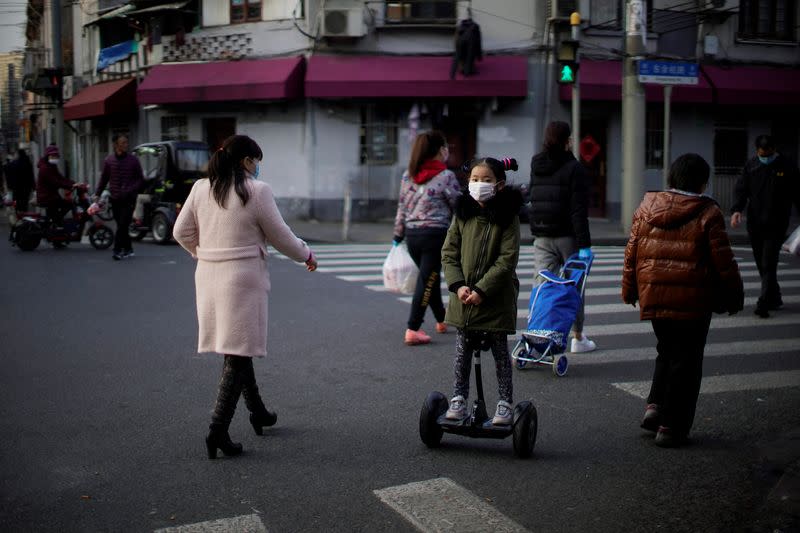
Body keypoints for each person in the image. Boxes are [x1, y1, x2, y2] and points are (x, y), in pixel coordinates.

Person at [173, 135, 318, 460]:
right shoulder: (257, 191)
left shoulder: (200, 188)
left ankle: (259, 413)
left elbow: (180, 232)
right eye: (255, 160)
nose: (257, 166)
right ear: (245, 161)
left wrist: (204, 253)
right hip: (242, 280)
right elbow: (280, 236)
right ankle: (217, 430)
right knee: (238, 353)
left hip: (209, 277)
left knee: (238, 346)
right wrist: (306, 253)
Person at [622, 153, 744, 448]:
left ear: (671, 179)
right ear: (703, 183)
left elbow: (631, 253)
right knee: (686, 363)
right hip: (693, 302)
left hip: (654, 297)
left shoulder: (647, 206)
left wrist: (630, 290)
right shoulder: (708, 212)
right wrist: (734, 295)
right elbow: (723, 262)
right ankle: (671, 427)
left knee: (666, 351)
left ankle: (655, 406)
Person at [441, 157, 523, 426]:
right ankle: (458, 399)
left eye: (486, 180)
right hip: (464, 298)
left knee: (500, 353)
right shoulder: (462, 214)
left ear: (499, 185)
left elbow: (506, 260)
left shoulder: (508, 217)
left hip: (495, 299)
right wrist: (459, 286)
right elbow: (449, 253)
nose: (479, 185)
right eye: (474, 180)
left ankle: (504, 403)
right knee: (462, 351)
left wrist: (482, 290)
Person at [528, 121, 596, 353]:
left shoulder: (536, 163)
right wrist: (585, 245)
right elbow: (578, 210)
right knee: (574, 286)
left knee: (542, 287)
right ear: (567, 140)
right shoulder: (574, 168)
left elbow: (532, 195)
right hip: (568, 236)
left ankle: (537, 335)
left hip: (542, 236)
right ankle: (578, 337)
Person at [393, 131, 462, 346]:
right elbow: (459, 206)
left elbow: (402, 207)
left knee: (428, 277)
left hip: (412, 237)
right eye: (445, 147)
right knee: (427, 279)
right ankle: (413, 328)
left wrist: (398, 235)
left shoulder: (408, 175)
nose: (447, 151)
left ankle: (441, 319)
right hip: (435, 236)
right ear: (440, 151)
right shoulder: (446, 176)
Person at [730, 134, 800, 318]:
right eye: (762, 154)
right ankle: (774, 297)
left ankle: (763, 302)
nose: (765, 157)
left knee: (768, 262)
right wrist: (737, 210)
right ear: (757, 151)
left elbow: (798, 192)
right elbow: (741, 189)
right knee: (762, 262)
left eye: (768, 154)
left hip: (777, 223)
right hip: (755, 223)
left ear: (774, 149)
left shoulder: (787, 166)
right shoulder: (751, 166)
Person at [95, 134, 144, 261]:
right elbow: (104, 178)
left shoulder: (133, 160)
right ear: (115, 145)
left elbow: (140, 179)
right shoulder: (109, 161)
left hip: (129, 199)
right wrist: (97, 194)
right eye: (122, 143)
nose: (125, 145)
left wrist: (130, 190)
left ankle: (117, 250)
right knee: (122, 225)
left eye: (126, 142)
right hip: (115, 198)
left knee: (122, 225)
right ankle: (128, 248)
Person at [35, 144, 75, 226]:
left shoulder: (52, 166)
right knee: (69, 205)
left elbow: (60, 178)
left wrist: (73, 183)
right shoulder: (45, 168)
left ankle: (55, 223)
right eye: (53, 155)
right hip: (47, 197)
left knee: (57, 211)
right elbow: (55, 182)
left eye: (56, 155)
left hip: (51, 196)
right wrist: (69, 185)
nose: (55, 157)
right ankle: (56, 223)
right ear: (47, 156)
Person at [4, 147, 35, 213]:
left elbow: (7, 170)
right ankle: (24, 214)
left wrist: (10, 188)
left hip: (16, 188)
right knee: (24, 203)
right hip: (26, 189)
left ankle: (18, 214)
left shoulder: (14, 163)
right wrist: (34, 188)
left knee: (16, 203)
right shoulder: (28, 163)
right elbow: (31, 176)